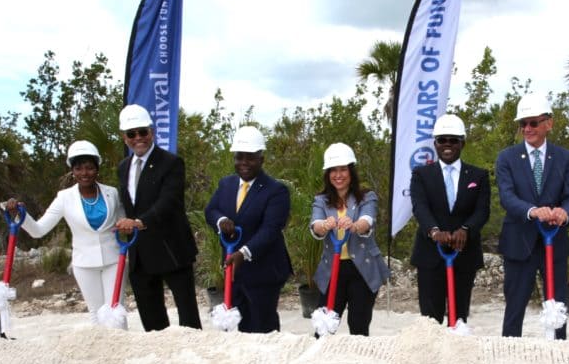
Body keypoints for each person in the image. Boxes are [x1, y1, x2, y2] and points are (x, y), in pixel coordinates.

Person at [4, 141, 127, 325]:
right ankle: (102, 351)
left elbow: (123, 222)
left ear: (97, 169)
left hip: (114, 260)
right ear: (72, 171)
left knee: (115, 309)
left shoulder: (112, 193)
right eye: (79, 168)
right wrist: (19, 215)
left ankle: (121, 349)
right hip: (84, 263)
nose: (84, 173)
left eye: (89, 168)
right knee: (96, 312)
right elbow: (38, 231)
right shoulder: (64, 198)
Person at [495, 93, 569, 339]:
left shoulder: (565, 158)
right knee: (514, 307)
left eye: (533, 122)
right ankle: (510, 353)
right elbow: (507, 197)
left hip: (554, 242)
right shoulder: (507, 158)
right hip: (519, 243)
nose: (527, 129)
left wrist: (565, 212)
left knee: (557, 307)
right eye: (523, 124)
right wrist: (532, 212)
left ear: (548, 123)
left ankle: (558, 352)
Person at [114, 104, 202, 331]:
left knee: (188, 317)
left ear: (151, 132)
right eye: (132, 134)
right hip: (140, 254)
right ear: (125, 138)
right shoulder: (123, 167)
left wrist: (138, 223)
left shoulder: (171, 163)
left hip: (172, 249)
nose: (138, 138)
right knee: (151, 320)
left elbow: (169, 202)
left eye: (143, 132)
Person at [204, 126, 292, 333]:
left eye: (250, 157)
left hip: (264, 271)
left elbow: (270, 229)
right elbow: (211, 210)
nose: (244, 163)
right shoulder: (226, 184)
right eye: (239, 157)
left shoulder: (276, 190)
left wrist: (243, 253)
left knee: (263, 327)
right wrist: (221, 220)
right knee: (239, 328)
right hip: (233, 271)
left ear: (261, 159)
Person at [409, 114, 491, 325]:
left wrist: (466, 229)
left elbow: (482, 211)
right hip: (430, 254)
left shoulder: (478, 176)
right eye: (442, 140)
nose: (447, 145)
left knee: (459, 315)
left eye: (453, 140)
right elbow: (420, 207)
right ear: (435, 143)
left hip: (464, 254)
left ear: (462, 143)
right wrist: (434, 231)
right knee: (430, 320)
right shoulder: (421, 174)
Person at [309, 143, 390, 336]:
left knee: (359, 325)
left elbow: (367, 220)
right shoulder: (321, 200)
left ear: (351, 171)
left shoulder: (366, 196)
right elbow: (315, 225)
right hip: (332, 270)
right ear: (328, 174)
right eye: (333, 170)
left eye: (343, 169)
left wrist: (354, 226)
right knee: (324, 326)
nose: (339, 175)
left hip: (362, 268)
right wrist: (324, 225)